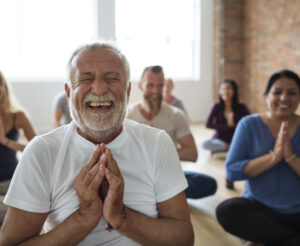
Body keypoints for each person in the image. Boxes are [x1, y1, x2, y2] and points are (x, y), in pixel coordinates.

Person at [0, 43, 194, 246]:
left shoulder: (157, 143)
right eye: (85, 78)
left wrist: (121, 217)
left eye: (112, 78)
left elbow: (184, 238)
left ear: (128, 91)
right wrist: (83, 219)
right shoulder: (42, 151)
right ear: (68, 91)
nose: (100, 89)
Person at [216, 69, 300, 246]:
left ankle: (262, 240)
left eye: (292, 93)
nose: (284, 98)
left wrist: (291, 157)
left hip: (297, 211)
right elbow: (232, 171)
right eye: (277, 92)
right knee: (227, 211)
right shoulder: (249, 124)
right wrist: (274, 157)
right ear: (265, 96)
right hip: (260, 208)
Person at [127, 65, 217, 199]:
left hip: (166, 176)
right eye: (150, 86)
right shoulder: (127, 114)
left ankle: (156, 195)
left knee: (208, 184)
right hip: (137, 175)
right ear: (140, 86)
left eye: (160, 86)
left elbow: (192, 154)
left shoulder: (176, 115)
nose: (155, 91)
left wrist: (160, 153)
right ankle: (163, 196)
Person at [0, 71, 36, 224]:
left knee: (28, 210)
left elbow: (37, 147)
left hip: (11, 180)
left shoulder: (18, 115)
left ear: (4, 88)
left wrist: (5, 141)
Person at [202, 79, 250, 189]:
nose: (226, 91)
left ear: (234, 91)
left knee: (244, 149)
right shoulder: (216, 106)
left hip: (236, 140)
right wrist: (227, 126)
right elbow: (207, 124)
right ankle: (228, 148)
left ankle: (230, 173)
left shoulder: (241, 106)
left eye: (229, 88)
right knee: (204, 144)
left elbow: (248, 124)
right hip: (220, 140)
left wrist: (234, 125)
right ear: (219, 91)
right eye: (223, 89)